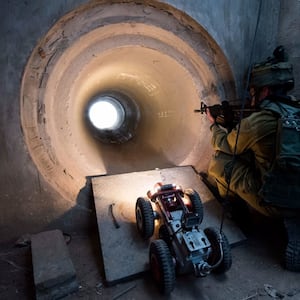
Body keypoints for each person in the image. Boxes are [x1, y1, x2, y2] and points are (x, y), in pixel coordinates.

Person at [205, 46, 300, 271]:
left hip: (275, 202)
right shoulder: (295, 110)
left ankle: (238, 217)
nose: (251, 96)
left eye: (254, 91)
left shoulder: (260, 120)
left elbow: (227, 145)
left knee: (220, 162)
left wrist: (215, 125)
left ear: (265, 90)